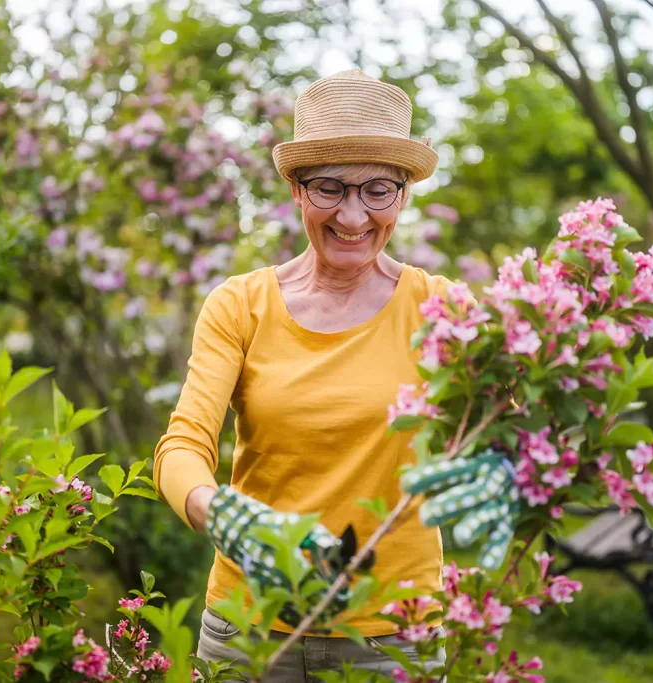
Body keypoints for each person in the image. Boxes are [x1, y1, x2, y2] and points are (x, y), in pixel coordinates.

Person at [153, 68, 451, 680]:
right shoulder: (239, 305)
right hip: (250, 632)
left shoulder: (442, 310)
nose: (351, 216)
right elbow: (183, 445)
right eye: (328, 188)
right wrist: (228, 519)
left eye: (377, 190)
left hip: (394, 637)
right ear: (295, 189)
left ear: (404, 195)